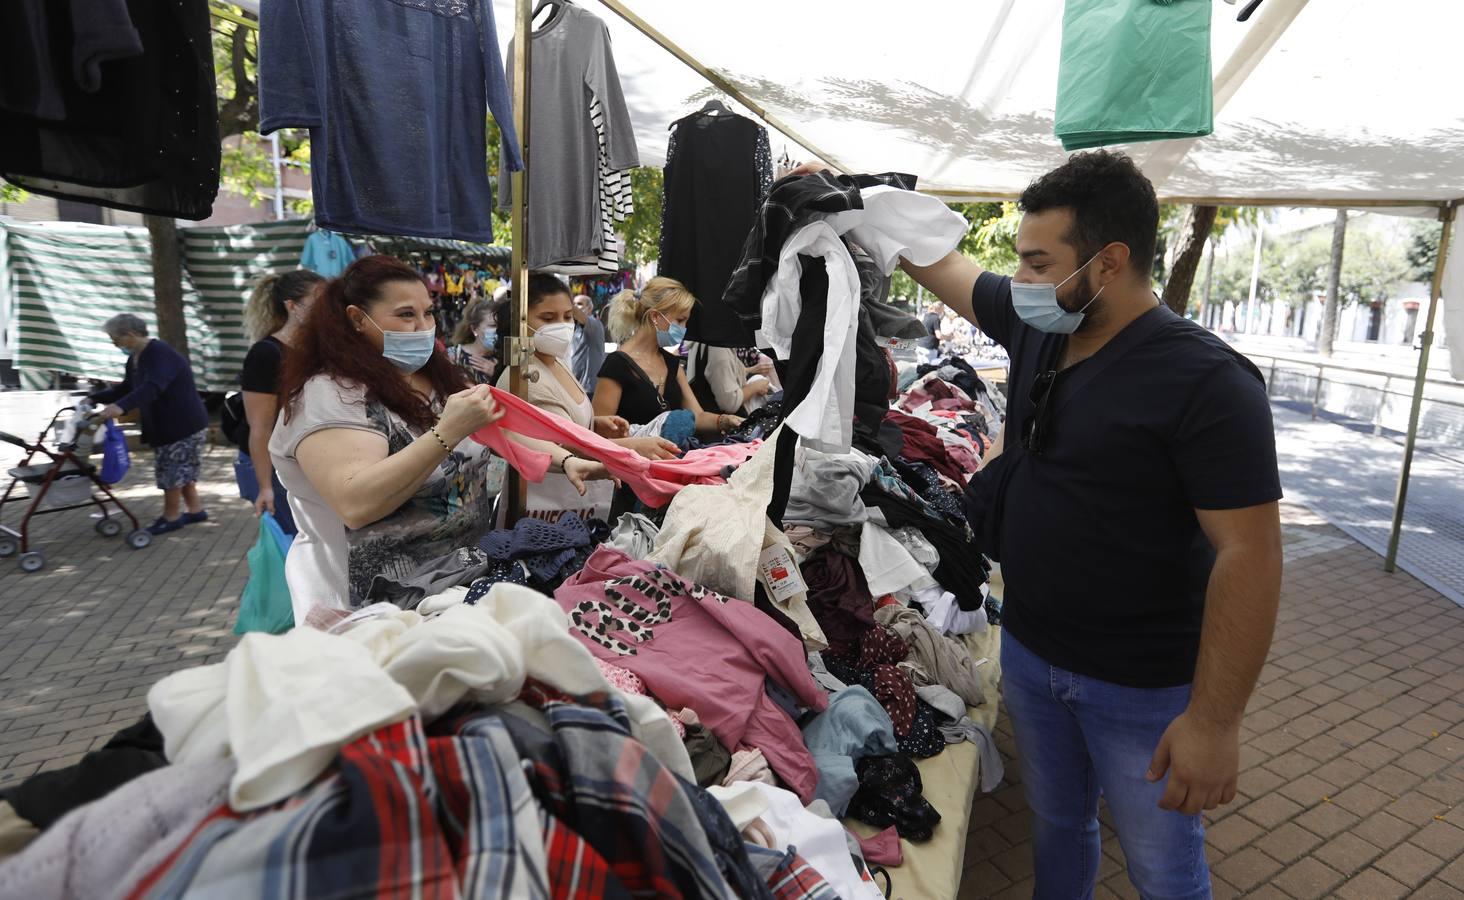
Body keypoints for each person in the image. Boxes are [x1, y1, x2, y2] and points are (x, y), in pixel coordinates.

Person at [903, 150, 1282, 899]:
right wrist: (849, 200)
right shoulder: (1045, 323)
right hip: (1036, 655)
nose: (1023, 280)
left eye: (1039, 262)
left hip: (1142, 685)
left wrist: (1213, 722)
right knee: (1059, 826)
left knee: (1163, 866)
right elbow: (938, 264)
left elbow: (1252, 555)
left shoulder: (1208, 382)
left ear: (1109, 262)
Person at [269, 256, 611, 623]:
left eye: (428, 313)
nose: (422, 327)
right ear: (355, 319)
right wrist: (447, 432)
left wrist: (565, 459)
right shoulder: (329, 395)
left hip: (457, 593)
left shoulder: (436, 378)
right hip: (368, 610)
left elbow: (496, 428)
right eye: (405, 315)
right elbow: (357, 503)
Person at [496, 273, 678, 459]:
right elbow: (564, 446)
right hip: (544, 486)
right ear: (520, 320)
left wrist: (594, 424)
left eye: (567, 317)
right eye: (548, 318)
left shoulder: (556, 362)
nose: (561, 326)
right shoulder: (526, 376)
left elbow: (568, 426)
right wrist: (634, 446)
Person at [91, 315, 211, 535]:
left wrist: (120, 407)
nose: (114, 343)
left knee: (171, 473)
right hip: (171, 423)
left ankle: (171, 517)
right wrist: (95, 397)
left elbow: (153, 387)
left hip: (182, 424)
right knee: (182, 469)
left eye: (115, 338)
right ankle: (195, 510)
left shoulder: (159, 354)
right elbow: (128, 388)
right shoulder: (136, 358)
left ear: (131, 334)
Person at [593, 277, 744, 437]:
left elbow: (697, 416)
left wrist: (725, 420)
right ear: (655, 317)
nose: (684, 329)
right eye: (680, 320)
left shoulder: (671, 363)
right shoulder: (617, 365)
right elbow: (598, 433)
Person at [236, 269, 326, 534]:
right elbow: (260, 428)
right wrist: (265, 487)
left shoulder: (318, 351)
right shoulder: (266, 354)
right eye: (319, 302)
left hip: (307, 463)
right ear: (292, 306)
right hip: (277, 470)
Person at [684, 342, 773, 415]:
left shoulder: (703, 343)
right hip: (721, 422)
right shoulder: (719, 350)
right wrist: (756, 386)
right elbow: (730, 403)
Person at [445, 296, 499, 385]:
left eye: (499, 326)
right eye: (492, 326)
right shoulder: (453, 356)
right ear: (474, 329)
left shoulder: (502, 359)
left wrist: (497, 374)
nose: (497, 330)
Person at [568, 293, 606, 397]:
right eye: (574, 303)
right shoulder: (575, 327)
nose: (576, 306)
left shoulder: (595, 324)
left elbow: (578, 314)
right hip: (576, 386)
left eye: (579, 304)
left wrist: (565, 303)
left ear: (590, 308)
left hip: (589, 388)